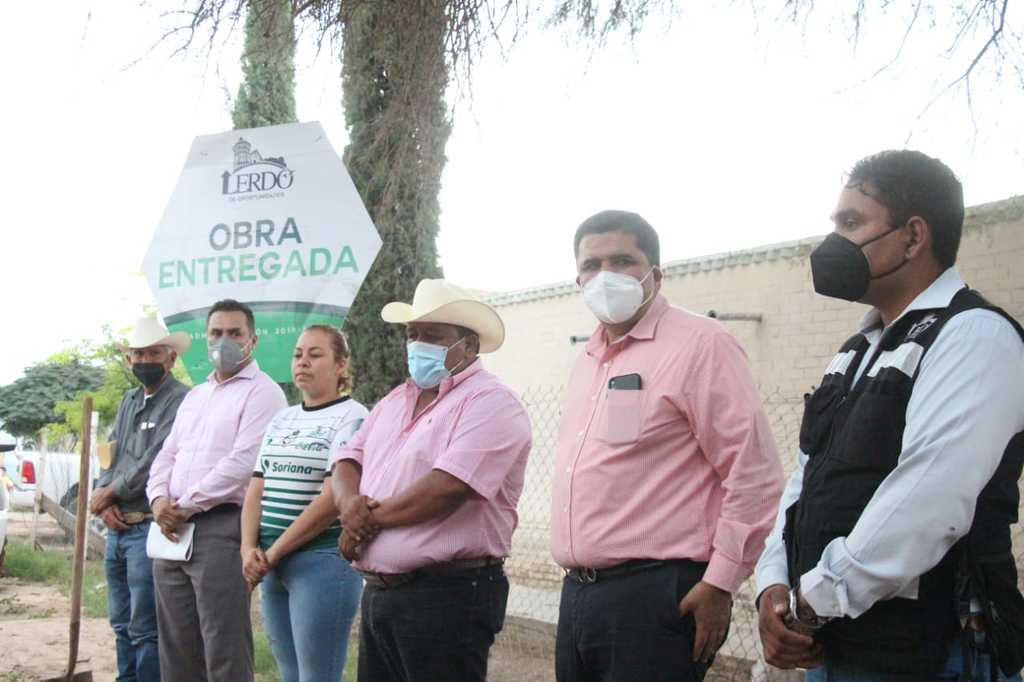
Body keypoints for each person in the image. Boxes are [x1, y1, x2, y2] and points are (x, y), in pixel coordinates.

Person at [755, 150, 1024, 682]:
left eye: (851, 223)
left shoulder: (973, 335)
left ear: (913, 236)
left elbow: (929, 499)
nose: (832, 241)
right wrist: (773, 582)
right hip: (836, 646)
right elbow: (807, 477)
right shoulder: (859, 348)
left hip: (930, 654)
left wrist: (814, 601)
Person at [552, 210, 785, 682]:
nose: (605, 276)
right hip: (579, 595)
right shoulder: (590, 359)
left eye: (622, 261)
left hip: (656, 597)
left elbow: (754, 476)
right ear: (577, 277)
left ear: (654, 275)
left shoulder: (701, 344)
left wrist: (720, 582)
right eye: (592, 265)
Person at [330, 278, 532, 682]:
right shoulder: (394, 401)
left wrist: (361, 523)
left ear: (469, 346)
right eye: (413, 334)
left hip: (448, 596)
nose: (418, 344)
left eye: (433, 336)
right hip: (382, 593)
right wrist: (349, 506)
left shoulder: (491, 403)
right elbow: (347, 460)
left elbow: (447, 488)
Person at [146, 299, 287, 682]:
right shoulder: (196, 396)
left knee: (223, 648)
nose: (224, 341)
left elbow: (242, 464)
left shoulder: (264, 393)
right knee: (176, 648)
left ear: (252, 341)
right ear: (205, 338)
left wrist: (184, 506)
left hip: (223, 529)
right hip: (172, 531)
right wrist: (159, 501)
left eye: (234, 333)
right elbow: (166, 454)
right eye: (216, 333)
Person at [240, 325, 367, 682]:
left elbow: (332, 499)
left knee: (317, 677)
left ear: (341, 365)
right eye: (298, 355)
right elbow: (256, 487)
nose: (303, 362)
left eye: (316, 355)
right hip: (271, 567)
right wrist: (247, 549)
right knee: (290, 674)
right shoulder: (282, 419)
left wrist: (273, 553)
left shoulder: (353, 416)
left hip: (321, 563)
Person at [88, 317, 190, 682]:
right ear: (129, 359)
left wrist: (111, 492)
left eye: (152, 353)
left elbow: (158, 459)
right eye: (137, 353)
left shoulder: (182, 402)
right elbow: (109, 454)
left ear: (170, 358)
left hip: (148, 527)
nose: (144, 359)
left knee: (146, 628)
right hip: (117, 527)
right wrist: (105, 497)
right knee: (120, 623)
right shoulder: (128, 401)